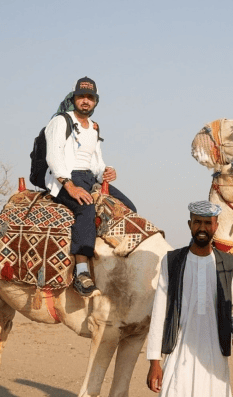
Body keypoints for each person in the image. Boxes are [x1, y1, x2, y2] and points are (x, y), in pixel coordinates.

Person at [146, 200, 233, 397]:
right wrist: (154, 361)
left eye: (207, 222)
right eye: (197, 222)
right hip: (179, 355)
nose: (202, 227)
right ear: (189, 225)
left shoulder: (228, 264)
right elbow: (159, 311)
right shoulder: (171, 261)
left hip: (214, 357)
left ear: (216, 226)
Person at [45, 76, 136, 296]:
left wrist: (106, 171)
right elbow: (54, 156)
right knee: (85, 208)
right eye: (81, 96)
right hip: (64, 177)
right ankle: (82, 272)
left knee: (128, 206)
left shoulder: (93, 127)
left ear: (95, 101)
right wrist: (69, 186)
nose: (85, 101)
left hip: (89, 178)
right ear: (74, 98)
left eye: (90, 97)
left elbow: (96, 163)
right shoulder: (61, 121)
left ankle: (113, 260)